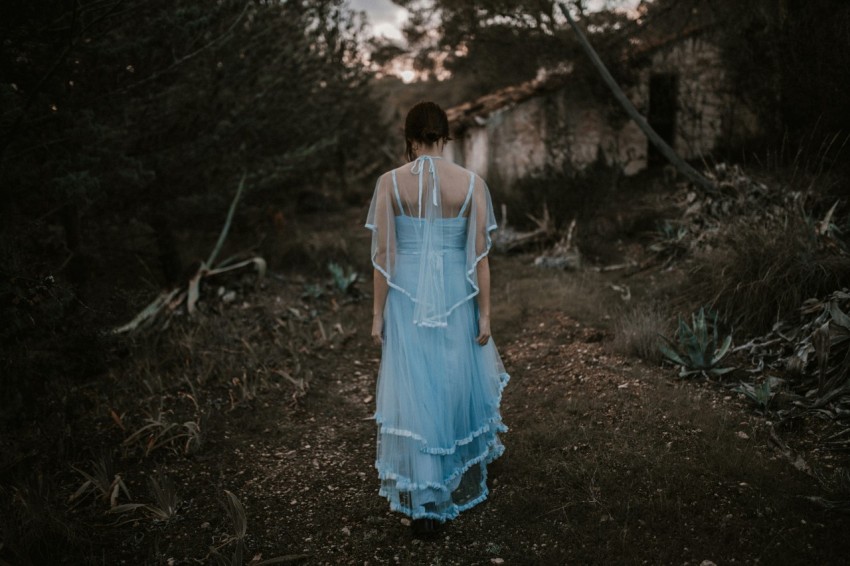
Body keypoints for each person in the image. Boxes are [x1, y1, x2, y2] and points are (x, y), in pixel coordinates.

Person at [365, 101, 509, 538]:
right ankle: (448, 473)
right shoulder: (470, 183)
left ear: (409, 140)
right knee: (450, 378)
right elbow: (479, 257)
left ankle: (426, 498)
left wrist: (376, 314)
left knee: (415, 386)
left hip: (406, 294)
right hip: (452, 292)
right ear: (445, 138)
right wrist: (484, 314)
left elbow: (385, 257)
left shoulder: (389, 184)